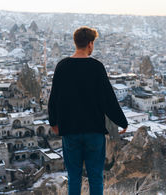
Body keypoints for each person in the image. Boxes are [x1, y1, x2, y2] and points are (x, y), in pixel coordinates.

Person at [48, 26, 128, 195]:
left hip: (70, 130)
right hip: (94, 131)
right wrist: (122, 121)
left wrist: (54, 122)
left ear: (75, 43)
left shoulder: (62, 66)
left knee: (74, 177)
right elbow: (108, 99)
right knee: (95, 177)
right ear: (90, 44)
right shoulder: (96, 67)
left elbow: (54, 97)